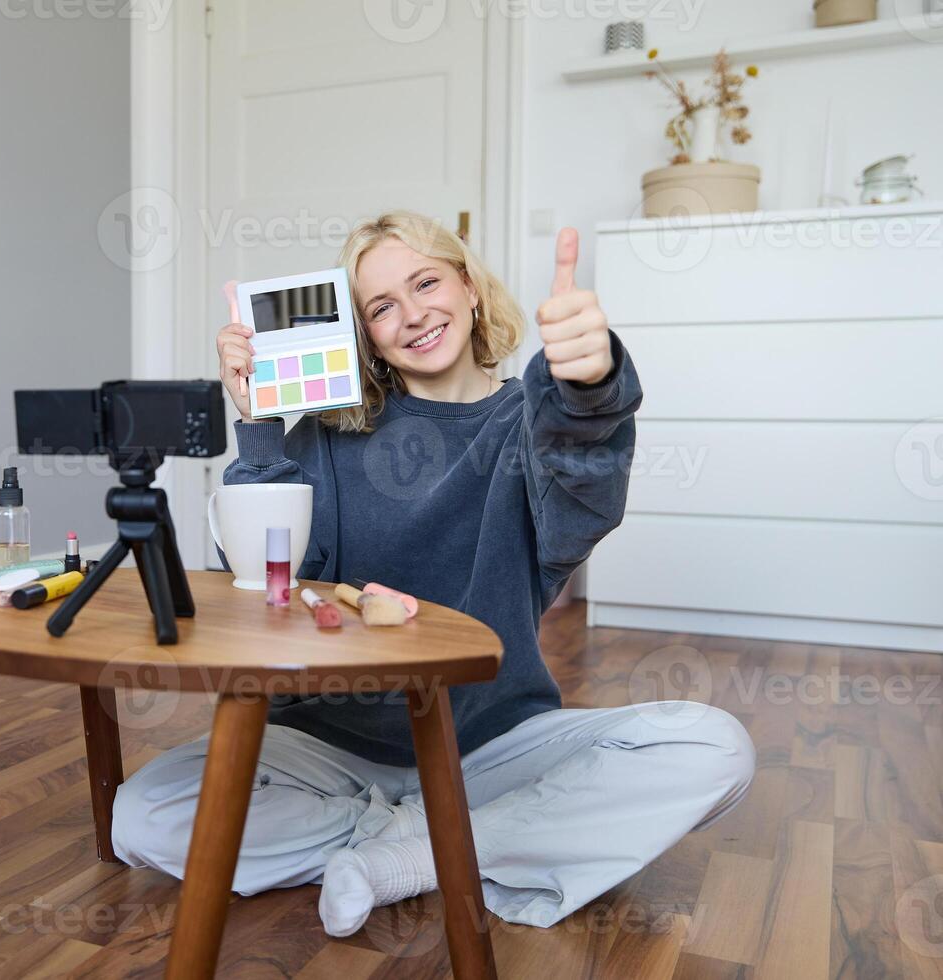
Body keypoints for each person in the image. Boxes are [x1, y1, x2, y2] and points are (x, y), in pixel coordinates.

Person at [110, 210, 755, 935]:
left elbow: (584, 505)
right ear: (365, 335)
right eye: (381, 306)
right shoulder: (325, 434)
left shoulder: (531, 420)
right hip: (327, 741)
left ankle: (410, 854)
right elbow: (268, 580)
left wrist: (588, 386)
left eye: (425, 283)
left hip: (487, 744)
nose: (412, 314)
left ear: (470, 287)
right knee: (139, 817)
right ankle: (443, 837)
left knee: (713, 748)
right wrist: (257, 427)